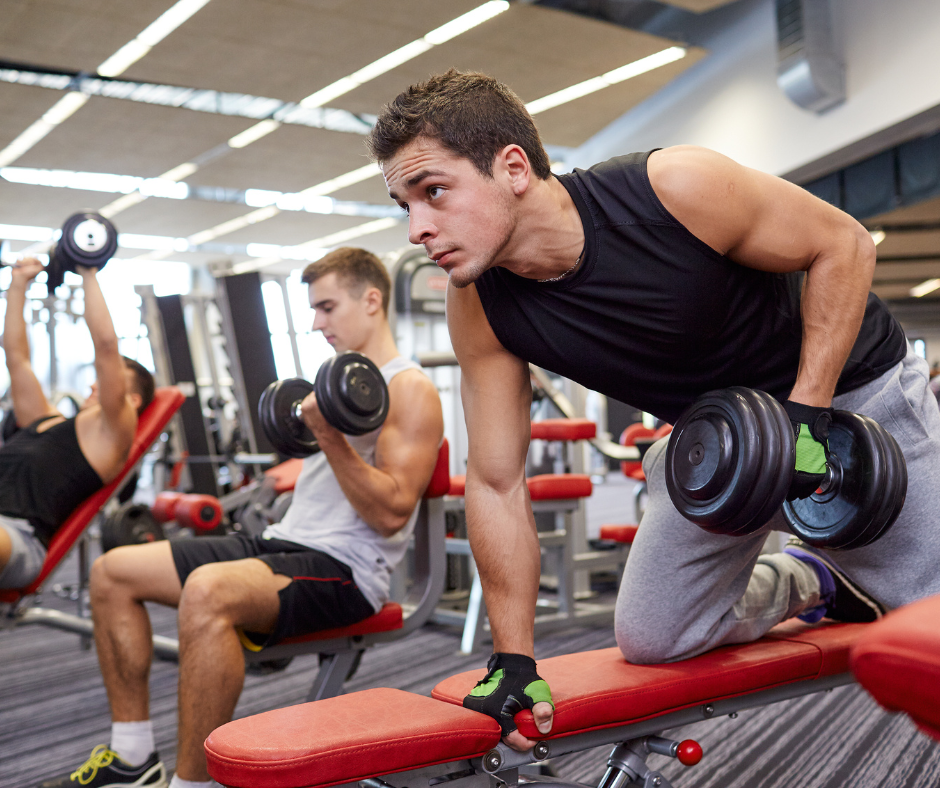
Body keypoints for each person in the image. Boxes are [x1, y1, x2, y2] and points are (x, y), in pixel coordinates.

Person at [368, 70, 940, 751]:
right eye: (405, 203)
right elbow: (496, 480)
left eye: (433, 192)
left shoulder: (674, 189)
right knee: (655, 636)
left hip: (849, 396)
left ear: (513, 167)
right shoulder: (481, 308)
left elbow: (842, 243)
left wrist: (805, 418)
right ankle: (811, 580)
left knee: (928, 624)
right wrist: (515, 659)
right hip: (722, 437)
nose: (416, 228)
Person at [43, 247, 444, 788]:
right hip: (282, 543)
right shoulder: (337, 383)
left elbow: (394, 512)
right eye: (312, 309)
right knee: (113, 571)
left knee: (209, 590)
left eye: (327, 307)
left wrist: (327, 436)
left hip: (347, 570)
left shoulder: (408, 388)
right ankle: (134, 756)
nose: (315, 322)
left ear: (372, 300)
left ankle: (192, 785)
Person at [0, 257, 154, 590]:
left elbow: (106, 347)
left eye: (110, 382)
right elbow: (15, 355)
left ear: (132, 401)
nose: (94, 385)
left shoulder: (109, 439)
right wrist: (18, 285)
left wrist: (87, 271)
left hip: (18, 539)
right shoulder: (45, 420)